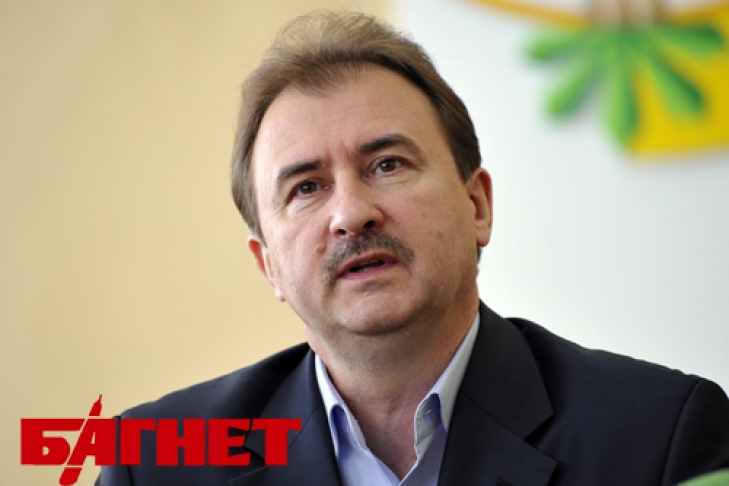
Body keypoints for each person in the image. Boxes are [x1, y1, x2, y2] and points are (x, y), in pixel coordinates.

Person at [97, 11, 729, 486]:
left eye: (388, 164)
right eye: (307, 187)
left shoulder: (662, 438)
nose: (351, 214)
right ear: (269, 267)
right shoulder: (154, 464)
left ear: (477, 206)